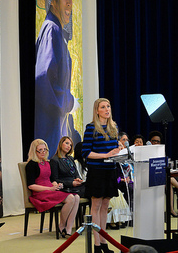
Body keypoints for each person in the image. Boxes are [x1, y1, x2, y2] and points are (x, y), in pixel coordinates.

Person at [35, 0, 81, 153]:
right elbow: (42, 78)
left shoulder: (56, 31)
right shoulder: (51, 29)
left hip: (56, 121)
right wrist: (68, 102)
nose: (69, 1)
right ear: (52, 1)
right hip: (49, 123)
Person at [81, 98, 122, 253]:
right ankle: (96, 245)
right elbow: (86, 153)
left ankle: (104, 242)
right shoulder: (91, 128)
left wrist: (119, 148)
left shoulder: (113, 127)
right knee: (96, 206)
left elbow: (113, 149)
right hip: (97, 171)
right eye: (103, 107)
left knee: (105, 206)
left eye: (108, 106)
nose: (107, 109)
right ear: (97, 110)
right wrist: (105, 155)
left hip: (110, 170)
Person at [26, 139, 79, 238]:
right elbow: (31, 186)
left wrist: (55, 185)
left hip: (50, 189)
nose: (43, 152)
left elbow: (51, 179)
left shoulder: (46, 162)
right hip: (40, 192)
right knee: (71, 198)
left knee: (76, 198)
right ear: (34, 151)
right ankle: (61, 226)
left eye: (45, 150)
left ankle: (68, 229)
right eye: (40, 150)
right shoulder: (31, 165)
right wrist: (49, 189)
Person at [148, 131, 178, 215]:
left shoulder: (161, 151)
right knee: (169, 180)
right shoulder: (147, 151)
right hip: (154, 176)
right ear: (150, 142)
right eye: (153, 141)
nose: (155, 143)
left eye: (157, 141)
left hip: (164, 174)